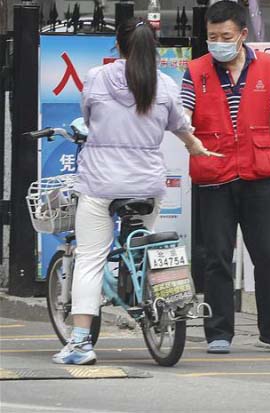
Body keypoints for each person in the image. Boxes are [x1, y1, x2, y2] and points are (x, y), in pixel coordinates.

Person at [53, 19, 219, 365]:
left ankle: (81, 343)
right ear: (153, 46)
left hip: (100, 182)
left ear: (118, 44)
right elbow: (180, 127)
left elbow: (88, 117)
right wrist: (194, 146)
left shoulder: (99, 78)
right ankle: (151, 291)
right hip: (146, 183)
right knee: (148, 242)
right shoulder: (166, 85)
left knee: (90, 259)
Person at [181, 0, 270, 355]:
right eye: (212, 36)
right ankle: (218, 332)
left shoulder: (265, 66)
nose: (218, 42)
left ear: (243, 34)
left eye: (225, 36)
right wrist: (188, 139)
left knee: (266, 255)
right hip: (213, 173)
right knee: (216, 255)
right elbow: (183, 116)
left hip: (258, 171)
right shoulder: (196, 69)